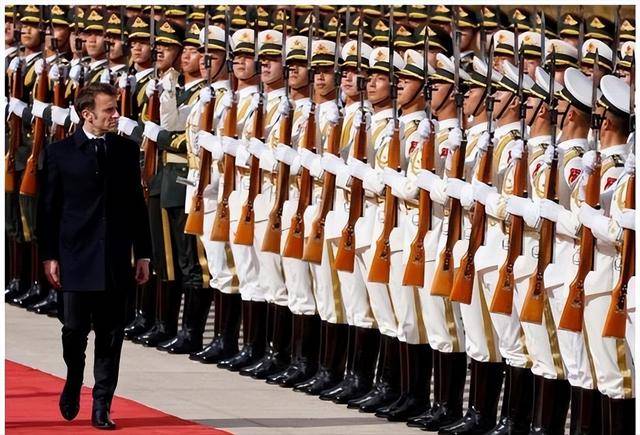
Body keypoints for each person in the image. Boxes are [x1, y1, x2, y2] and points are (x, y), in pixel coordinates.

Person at [38, 83, 152, 430]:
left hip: (114, 257)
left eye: (116, 109)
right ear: (88, 114)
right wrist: (49, 255)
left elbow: (136, 205)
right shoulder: (59, 153)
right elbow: (48, 210)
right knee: (73, 330)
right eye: (109, 110)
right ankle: (74, 378)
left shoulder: (126, 150)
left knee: (111, 334)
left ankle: (102, 404)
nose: (116, 115)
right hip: (75, 256)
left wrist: (144, 253)